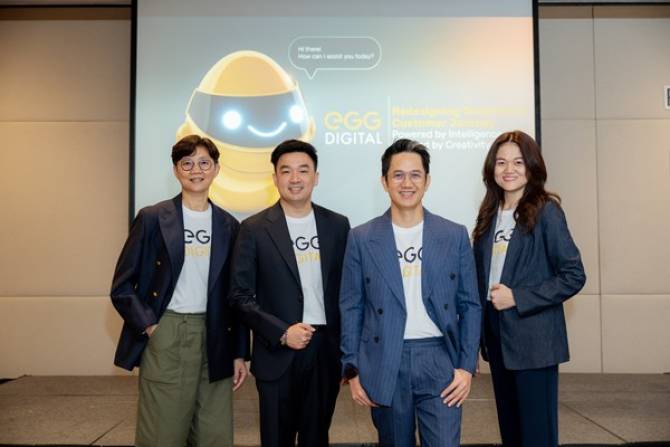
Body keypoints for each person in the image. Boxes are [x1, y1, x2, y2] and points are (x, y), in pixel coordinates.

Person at [339, 139, 481, 447]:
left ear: (427, 181)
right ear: (384, 181)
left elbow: (470, 304)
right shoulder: (361, 238)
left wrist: (466, 367)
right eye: (398, 175)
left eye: (415, 175)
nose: (407, 183)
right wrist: (352, 369)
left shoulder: (454, 235)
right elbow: (352, 306)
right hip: (385, 359)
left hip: (439, 358)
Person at [110, 135, 249, 447]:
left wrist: (240, 352)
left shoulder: (229, 225)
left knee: (214, 434)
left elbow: (236, 295)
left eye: (204, 163)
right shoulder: (152, 218)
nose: (196, 170)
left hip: (216, 335)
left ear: (216, 169)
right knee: (163, 433)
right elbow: (122, 286)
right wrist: (150, 326)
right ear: (176, 170)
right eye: (187, 163)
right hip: (167, 331)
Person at [228, 139, 350, 447]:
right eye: (286, 171)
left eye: (303, 170)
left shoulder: (338, 225)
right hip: (277, 351)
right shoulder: (253, 228)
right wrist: (282, 332)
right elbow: (239, 296)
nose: (295, 178)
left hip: (324, 352)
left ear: (316, 177)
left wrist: (348, 353)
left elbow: (348, 293)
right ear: (274, 178)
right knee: (276, 439)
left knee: (316, 438)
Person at [472, 130, 586, 447]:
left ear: (532, 166)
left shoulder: (547, 211)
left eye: (518, 162)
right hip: (498, 338)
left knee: (537, 436)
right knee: (511, 434)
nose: (509, 169)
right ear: (491, 169)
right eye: (501, 162)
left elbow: (574, 275)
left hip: (534, 343)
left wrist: (517, 297)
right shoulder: (488, 215)